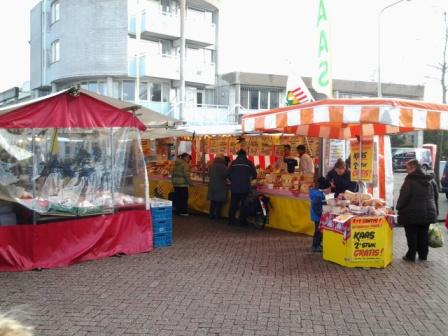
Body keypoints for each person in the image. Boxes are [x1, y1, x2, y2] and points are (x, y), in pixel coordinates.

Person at [396, 159, 438, 262]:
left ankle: (411, 256)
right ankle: (423, 255)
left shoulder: (410, 180)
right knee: (423, 234)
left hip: (412, 213)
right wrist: (435, 211)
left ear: (413, 167)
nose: (407, 171)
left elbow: (404, 196)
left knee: (412, 234)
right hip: (428, 213)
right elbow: (435, 197)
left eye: (407, 168)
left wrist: (398, 207)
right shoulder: (430, 179)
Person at [227, 149, 257, 226]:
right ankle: (242, 221)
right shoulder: (249, 163)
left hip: (235, 187)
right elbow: (254, 175)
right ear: (245, 154)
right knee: (244, 205)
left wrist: (233, 180)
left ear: (238, 155)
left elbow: (228, 174)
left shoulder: (233, 163)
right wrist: (250, 179)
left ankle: (231, 220)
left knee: (233, 204)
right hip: (245, 187)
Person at [309, 177, 332, 252]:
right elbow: (316, 206)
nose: (330, 190)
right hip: (318, 216)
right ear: (325, 188)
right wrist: (321, 214)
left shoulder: (319, 194)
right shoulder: (318, 196)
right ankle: (315, 245)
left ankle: (317, 244)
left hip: (318, 215)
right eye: (329, 188)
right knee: (318, 231)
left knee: (319, 230)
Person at [207, 154, 228, 219]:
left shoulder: (211, 165)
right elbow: (226, 175)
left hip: (212, 185)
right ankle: (217, 216)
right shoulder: (223, 166)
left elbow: (209, 174)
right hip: (220, 185)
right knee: (219, 202)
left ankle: (211, 215)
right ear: (222, 159)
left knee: (212, 202)